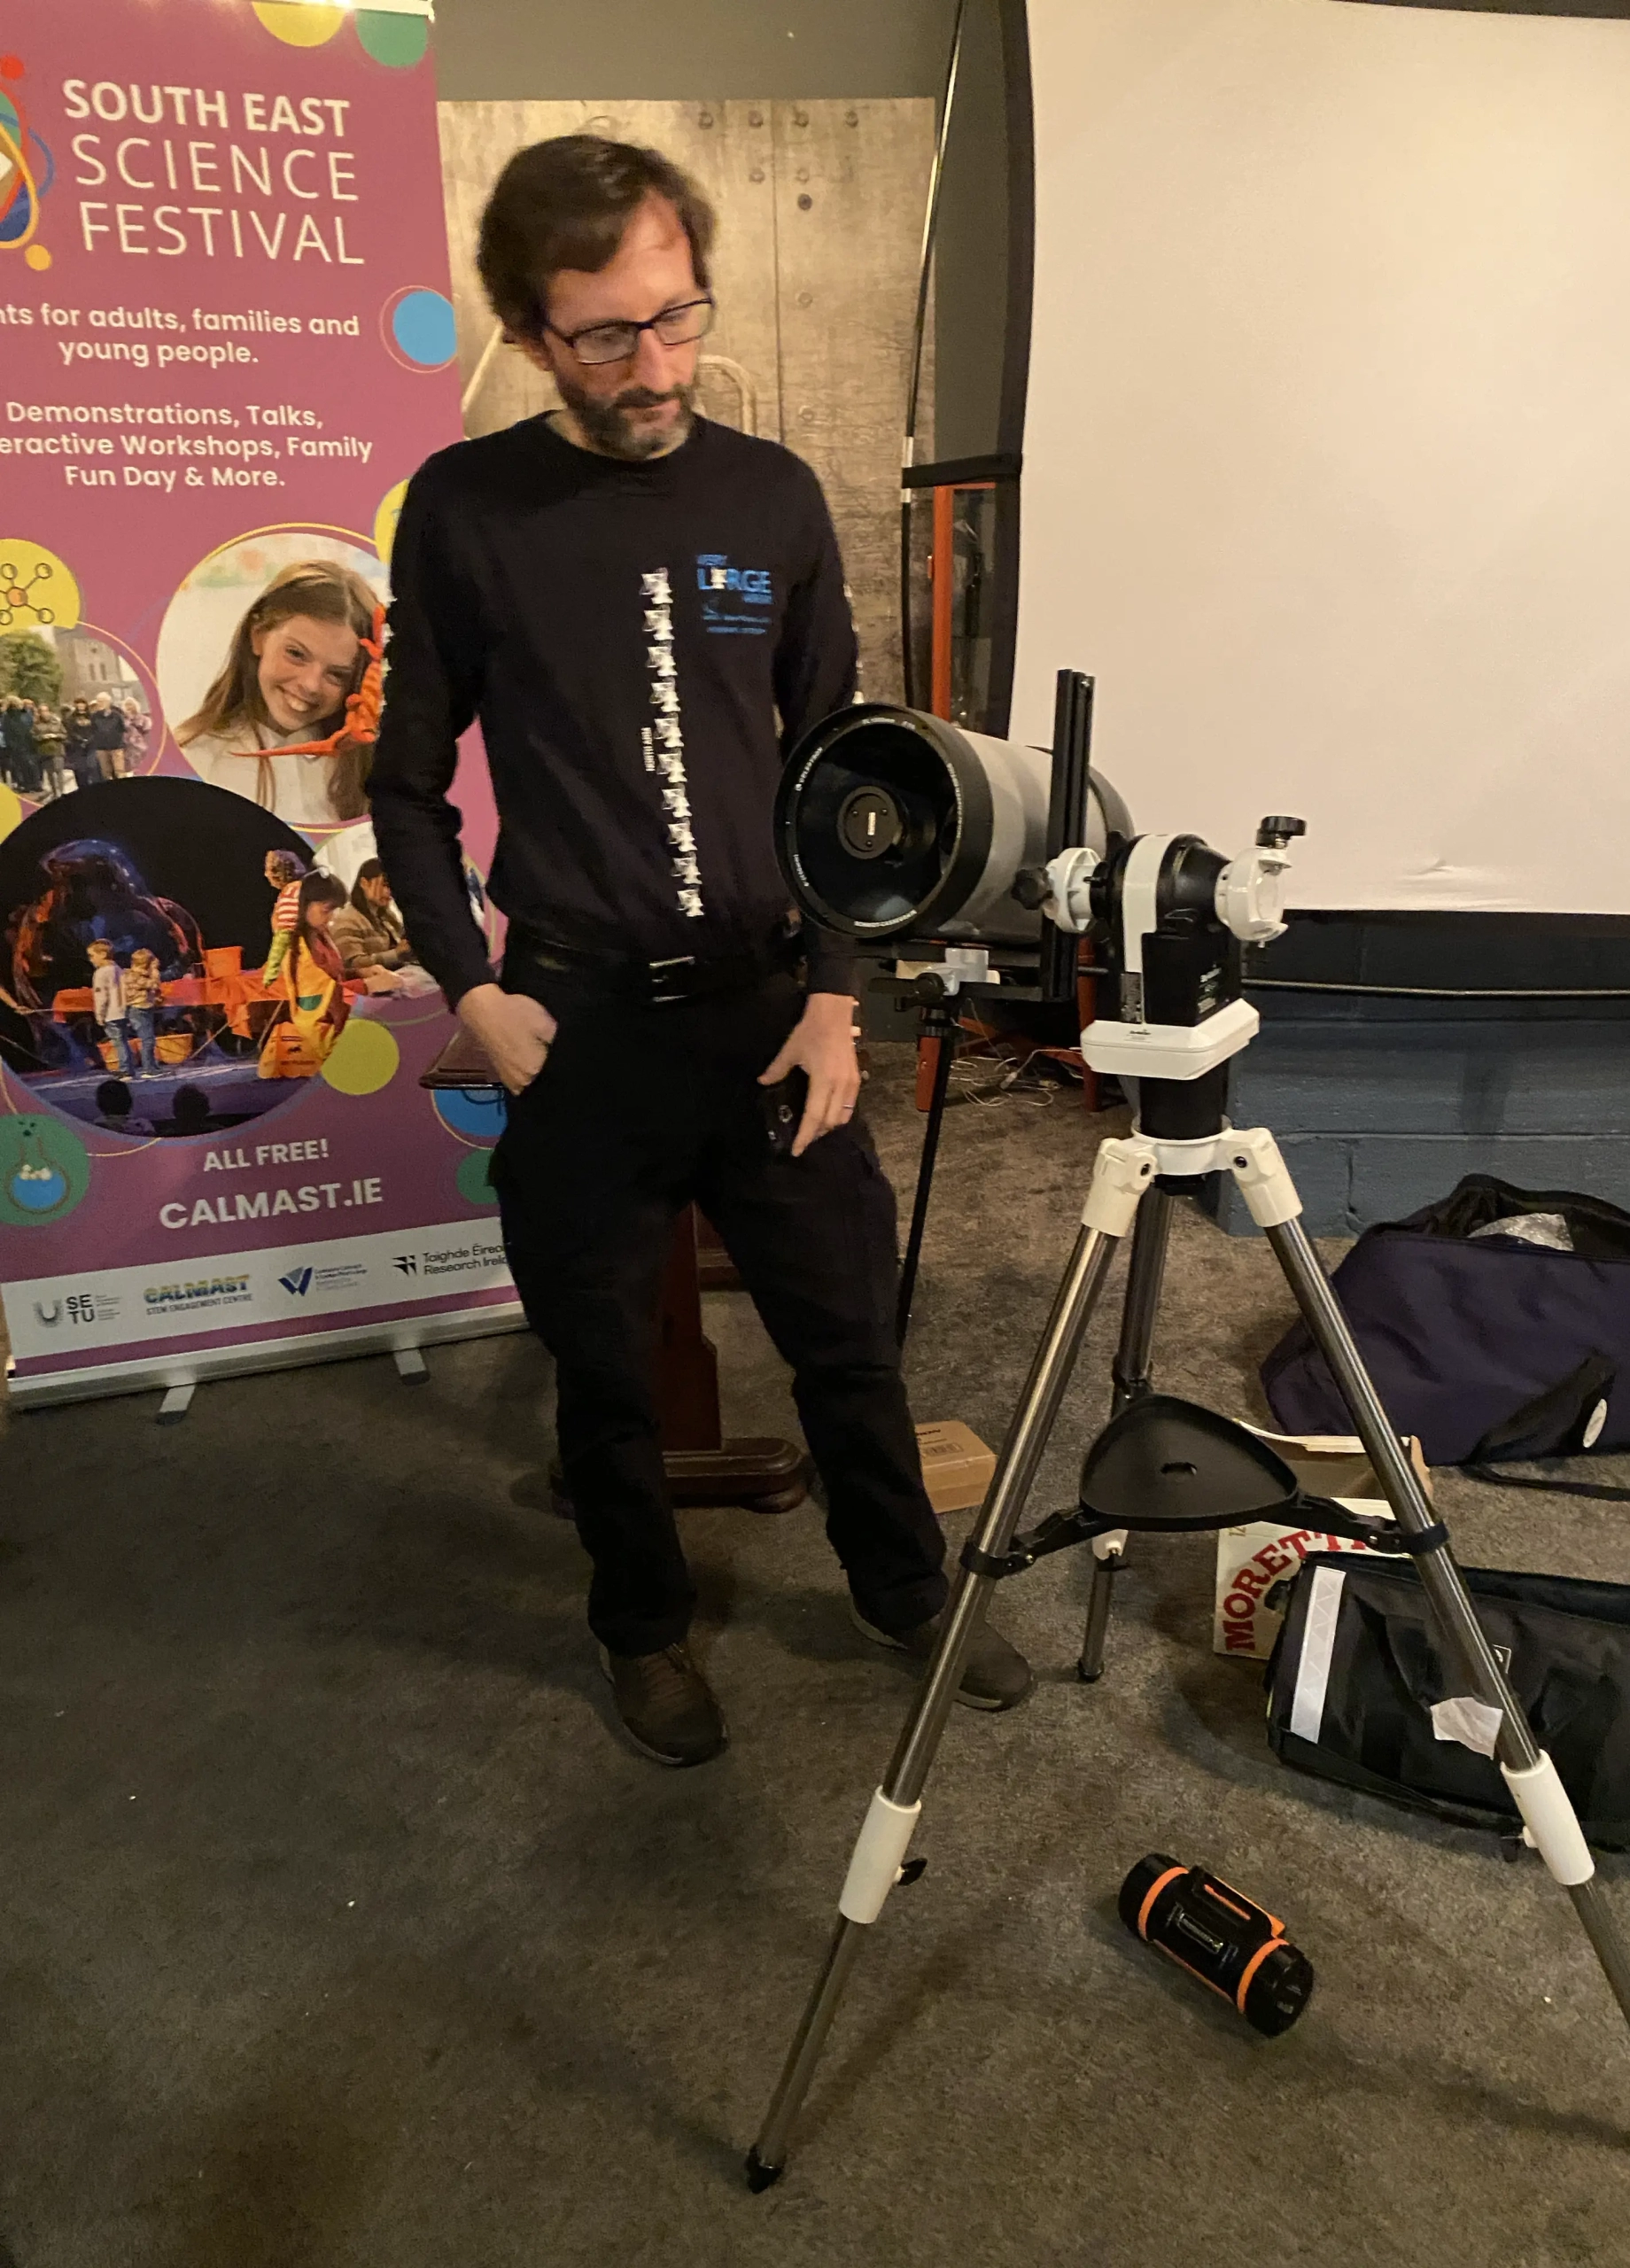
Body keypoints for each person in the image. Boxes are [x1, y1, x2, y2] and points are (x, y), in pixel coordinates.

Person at [369, 134, 1031, 1768]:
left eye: (677, 317)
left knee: (847, 1338)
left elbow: (842, 776)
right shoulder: (468, 510)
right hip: (576, 1023)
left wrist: (837, 999)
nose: (657, 367)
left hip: (767, 1009)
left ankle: (904, 1587)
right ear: (529, 331)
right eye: (608, 336)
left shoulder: (772, 497)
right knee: (601, 1372)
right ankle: (643, 1628)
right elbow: (406, 788)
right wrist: (474, 993)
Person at [175, 561, 381, 826]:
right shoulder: (193, 759)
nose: (310, 685)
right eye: (296, 654)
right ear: (258, 636)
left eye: (337, 674)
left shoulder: (374, 771)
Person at [276, 870, 351, 1071]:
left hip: (335, 1023)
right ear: (305, 905)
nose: (331, 918)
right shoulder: (298, 947)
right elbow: (324, 990)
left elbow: (335, 974)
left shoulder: (320, 935)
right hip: (322, 1029)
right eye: (326, 910)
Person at [329, 859, 415, 976]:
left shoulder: (386, 915)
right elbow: (353, 964)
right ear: (364, 883)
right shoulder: (347, 919)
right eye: (385, 885)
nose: (390, 892)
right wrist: (396, 954)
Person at [261, 849, 307, 983]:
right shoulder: (302, 888)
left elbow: (285, 933)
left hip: (304, 962)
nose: (266, 875)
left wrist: (272, 969)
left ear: (278, 873)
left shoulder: (291, 892)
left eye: (268, 870)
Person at [87, 940, 132, 1072]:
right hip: (123, 1011)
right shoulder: (118, 969)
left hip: (110, 1014)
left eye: (92, 956)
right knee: (123, 1041)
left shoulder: (100, 973)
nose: (91, 960)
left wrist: (99, 1015)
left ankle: (125, 1069)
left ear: (102, 954)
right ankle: (129, 1067)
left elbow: (101, 996)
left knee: (118, 1042)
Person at [122, 946, 163, 1076]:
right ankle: (148, 1069)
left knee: (150, 1038)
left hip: (146, 1008)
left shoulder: (142, 975)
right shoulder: (131, 976)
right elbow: (154, 984)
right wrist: (155, 970)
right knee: (147, 1040)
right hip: (137, 1010)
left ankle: (153, 1065)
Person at [2, 695, 39, 796]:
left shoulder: (8, 716)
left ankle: (25, 785)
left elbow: (7, 731)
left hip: (16, 745)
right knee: (30, 764)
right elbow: (29, 727)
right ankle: (34, 784)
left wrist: (10, 744)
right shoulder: (26, 714)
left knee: (19, 766)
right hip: (27, 743)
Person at [88, 693, 126, 781]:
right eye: (98, 701)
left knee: (119, 771)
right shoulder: (94, 716)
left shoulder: (117, 715)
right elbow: (93, 730)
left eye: (102, 701)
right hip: (101, 748)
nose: (100, 703)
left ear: (108, 702)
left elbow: (122, 729)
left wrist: (117, 740)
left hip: (116, 747)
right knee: (106, 772)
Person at [62, 701, 98, 791]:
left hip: (91, 745)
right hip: (77, 746)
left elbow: (96, 730)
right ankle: (82, 787)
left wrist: (89, 739)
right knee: (80, 768)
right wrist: (80, 739)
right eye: (79, 704)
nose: (81, 706)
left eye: (83, 704)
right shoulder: (71, 718)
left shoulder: (92, 717)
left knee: (91, 765)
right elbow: (70, 731)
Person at [120, 694, 151, 776]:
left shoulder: (144, 719)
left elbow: (148, 734)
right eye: (126, 705)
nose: (129, 707)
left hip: (141, 749)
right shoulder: (121, 720)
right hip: (127, 750)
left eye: (131, 705)